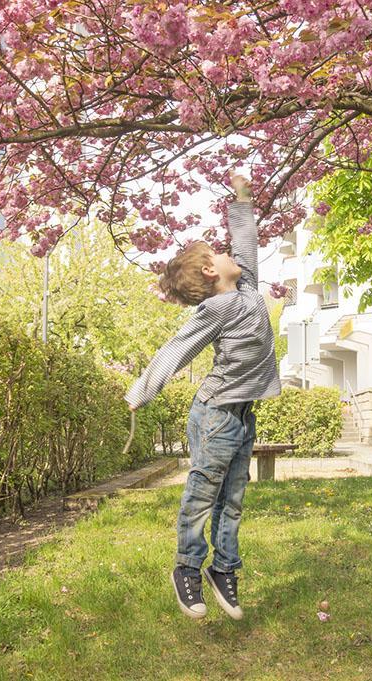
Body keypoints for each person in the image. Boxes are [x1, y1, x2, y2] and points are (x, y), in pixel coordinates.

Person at [124, 171, 281, 620]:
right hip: (214, 416)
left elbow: (246, 246)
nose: (231, 253)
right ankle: (187, 569)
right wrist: (143, 390)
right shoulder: (217, 307)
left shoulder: (247, 287)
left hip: (241, 414)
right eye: (219, 253)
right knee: (202, 496)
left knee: (232, 499)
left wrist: (243, 200)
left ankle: (224, 570)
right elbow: (178, 347)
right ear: (213, 270)